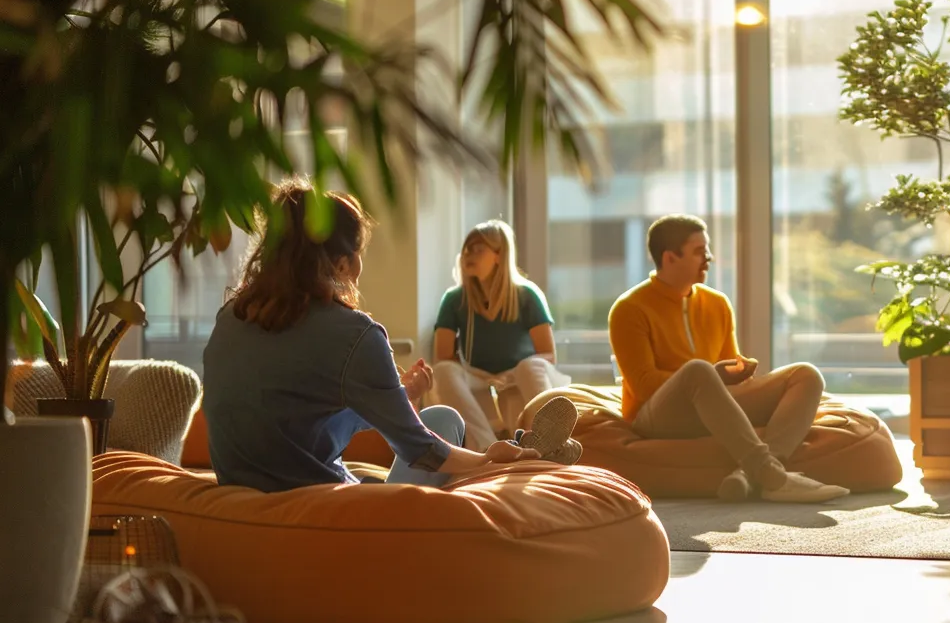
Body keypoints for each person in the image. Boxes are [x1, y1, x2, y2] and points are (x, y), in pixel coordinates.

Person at [202, 180, 575, 492]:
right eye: (362, 253)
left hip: (245, 498)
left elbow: (297, 418)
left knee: (441, 415)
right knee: (446, 426)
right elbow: (422, 452)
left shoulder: (229, 319)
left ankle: (521, 452)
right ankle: (516, 460)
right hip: (328, 509)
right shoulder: (354, 334)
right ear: (342, 263)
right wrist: (487, 459)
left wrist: (401, 396)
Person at [608, 214, 849, 503]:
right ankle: (774, 477)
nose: (708, 258)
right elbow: (644, 385)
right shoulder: (629, 309)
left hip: (713, 408)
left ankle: (752, 475)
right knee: (698, 370)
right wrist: (709, 375)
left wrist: (737, 372)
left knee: (806, 375)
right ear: (670, 258)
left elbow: (725, 369)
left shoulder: (717, 303)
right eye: (699, 251)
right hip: (658, 416)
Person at [426, 220, 574, 457]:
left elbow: (548, 355)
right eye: (466, 250)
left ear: (498, 255)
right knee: (443, 370)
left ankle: (547, 443)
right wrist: (482, 376)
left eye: (478, 249)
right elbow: (443, 356)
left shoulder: (527, 295)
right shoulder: (454, 299)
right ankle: (488, 449)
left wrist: (512, 373)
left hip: (520, 376)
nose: (468, 255)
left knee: (530, 366)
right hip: (479, 377)